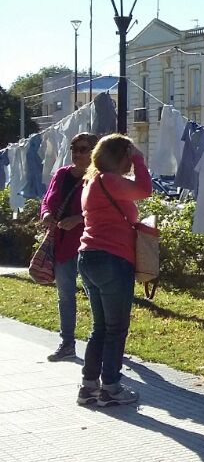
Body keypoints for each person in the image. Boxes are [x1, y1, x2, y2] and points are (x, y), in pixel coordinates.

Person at [77, 134, 151, 407]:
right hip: (112, 259)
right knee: (116, 329)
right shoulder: (108, 180)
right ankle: (110, 388)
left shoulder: (92, 182)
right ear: (122, 157)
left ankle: (89, 387)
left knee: (100, 327)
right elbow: (145, 189)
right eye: (128, 157)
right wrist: (140, 160)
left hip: (89, 256)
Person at [40, 132, 99, 362]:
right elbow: (47, 200)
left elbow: (103, 212)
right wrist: (46, 213)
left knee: (95, 296)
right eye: (74, 148)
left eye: (83, 149)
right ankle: (67, 344)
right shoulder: (62, 174)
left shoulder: (99, 178)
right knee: (65, 295)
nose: (77, 153)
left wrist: (78, 219)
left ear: (94, 152)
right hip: (62, 245)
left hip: (90, 246)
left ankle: (103, 342)